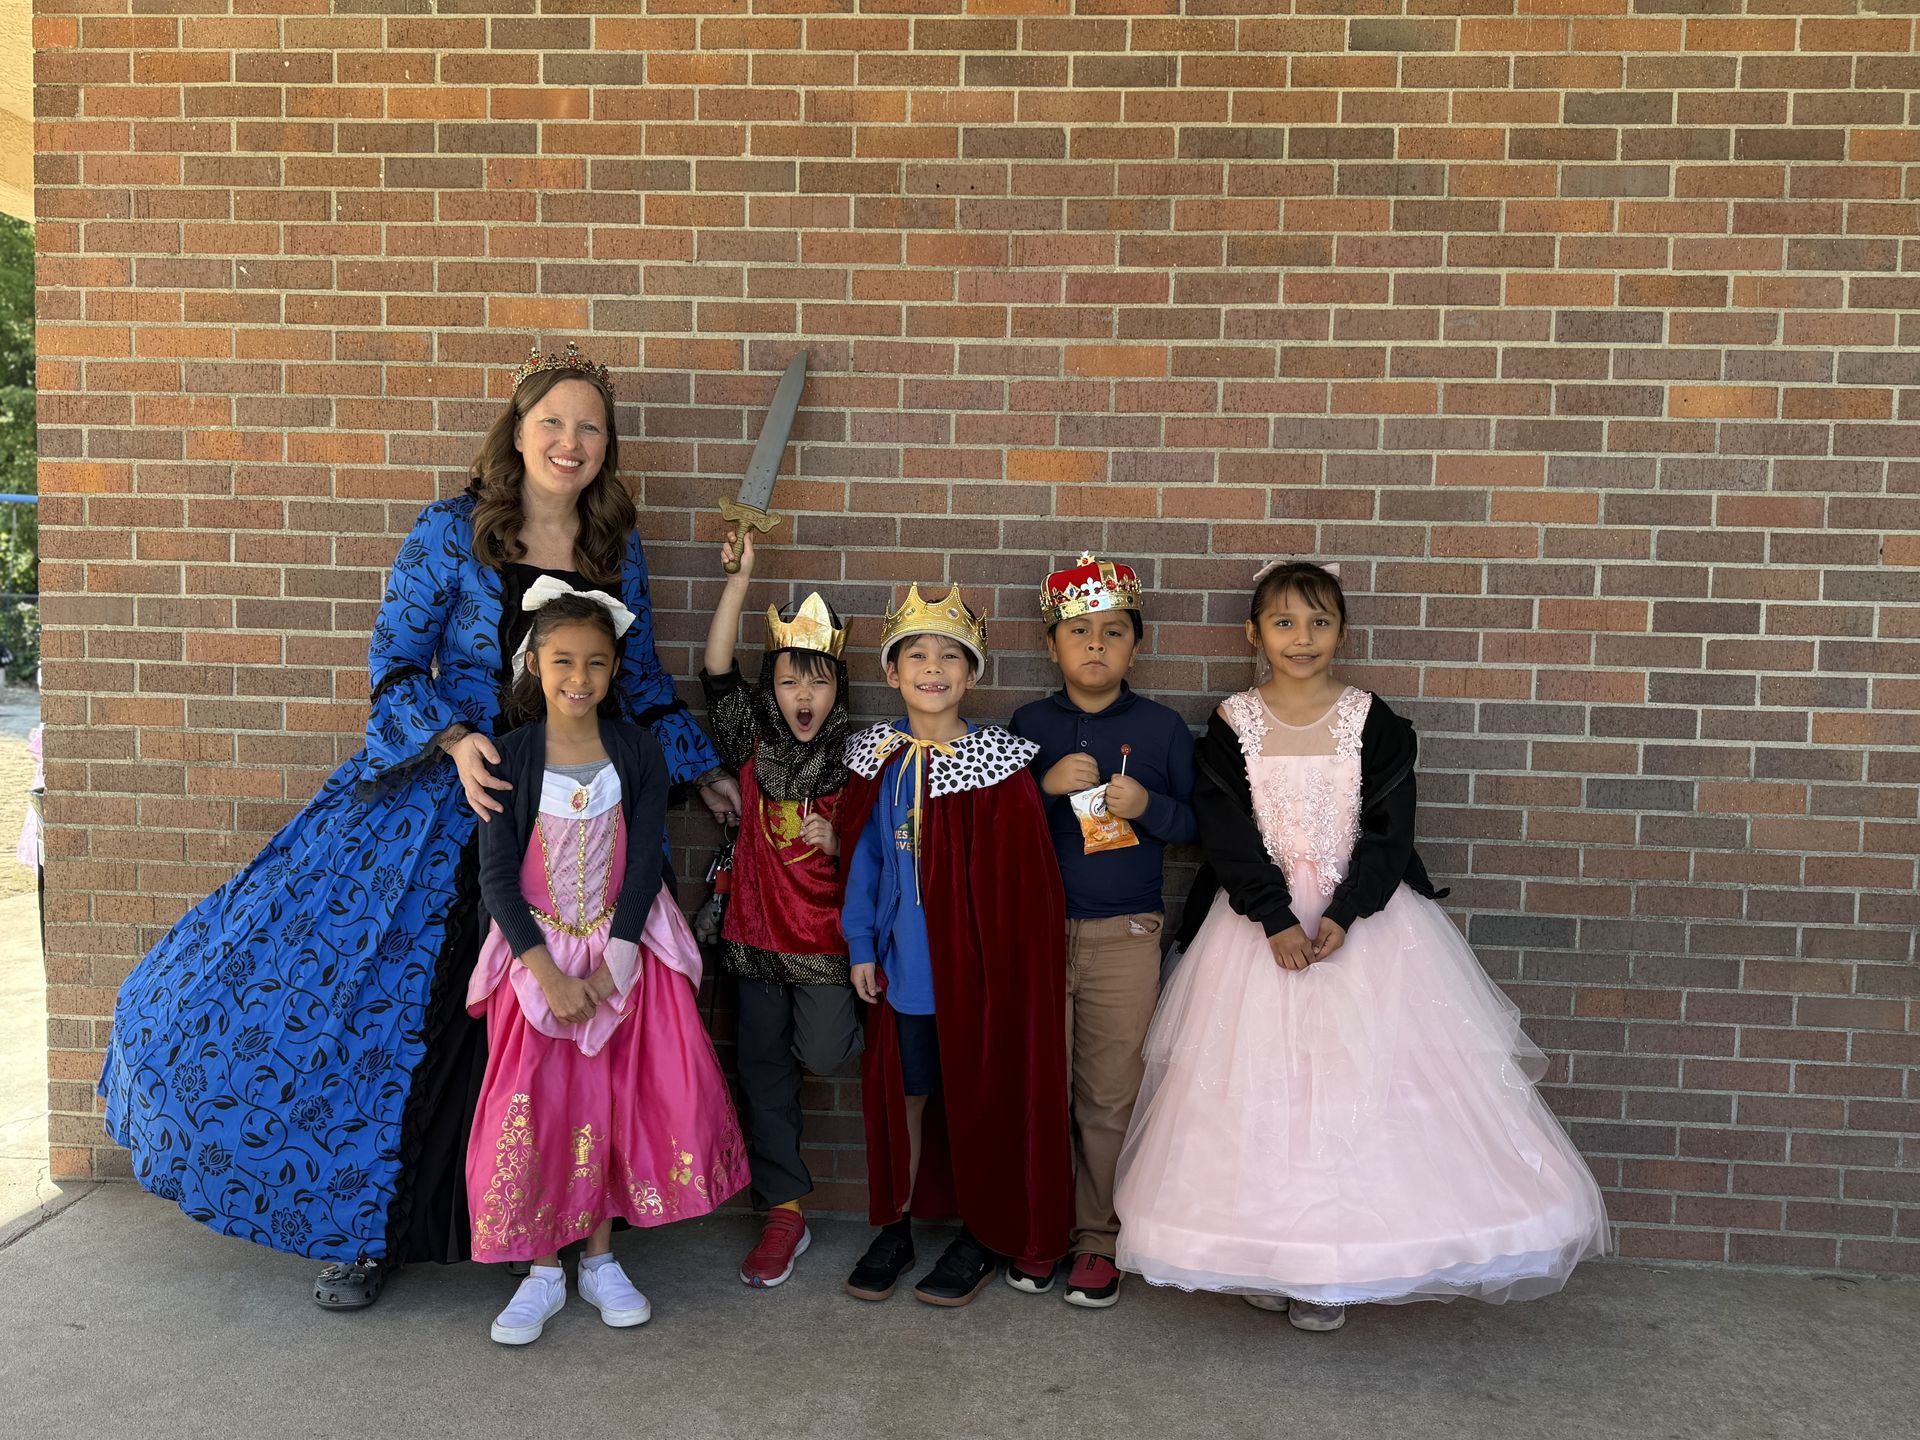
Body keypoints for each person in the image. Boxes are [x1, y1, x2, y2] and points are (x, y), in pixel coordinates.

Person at [98, 342, 741, 1309]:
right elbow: (395, 665)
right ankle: (363, 1231)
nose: (569, 442)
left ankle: (544, 1228)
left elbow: (638, 681)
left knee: (551, 1022)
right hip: (451, 800)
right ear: (517, 432)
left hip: (573, 816)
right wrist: (452, 738)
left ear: (608, 445)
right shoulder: (452, 530)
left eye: (589, 427)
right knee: (387, 1014)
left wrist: (705, 770)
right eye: (552, 422)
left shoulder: (616, 547)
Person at [1113, 560, 1609, 1333]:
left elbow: (1390, 831)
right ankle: (1267, 1256)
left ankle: (1334, 1271)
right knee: (1263, 1090)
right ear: (1253, 634)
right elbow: (1226, 832)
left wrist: (1346, 911)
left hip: (1366, 928)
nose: (1301, 637)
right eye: (1283, 622)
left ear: (1342, 632)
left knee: (1357, 1090)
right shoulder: (1232, 723)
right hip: (1258, 928)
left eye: (1319, 622)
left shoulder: (1374, 722)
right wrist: (1275, 916)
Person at [468, 589, 747, 1344]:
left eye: (596, 662)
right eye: (563, 660)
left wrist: (612, 967)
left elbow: (646, 863)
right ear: (534, 664)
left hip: (624, 953)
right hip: (537, 961)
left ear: (616, 667)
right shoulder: (508, 756)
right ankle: (542, 1269)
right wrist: (551, 976)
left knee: (612, 1101)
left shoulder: (637, 751)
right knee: (539, 1105)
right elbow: (497, 878)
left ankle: (599, 1260)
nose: (579, 677)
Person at [838, 584, 1071, 1308]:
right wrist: (860, 946)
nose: (932, 668)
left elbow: (1023, 889)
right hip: (904, 970)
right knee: (907, 1096)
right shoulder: (876, 760)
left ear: (972, 675)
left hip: (978, 976)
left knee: (979, 1095)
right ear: (892, 672)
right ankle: (898, 1226)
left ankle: (982, 1230)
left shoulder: (996, 766)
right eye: (916, 655)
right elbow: (863, 862)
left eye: (950, 657)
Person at [1009, 554, 1195, 1309]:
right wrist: (1040, 787)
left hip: (1126, 934)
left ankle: (1099, 1239)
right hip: (1037, 932)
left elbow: (1196, 825)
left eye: (1113, 632)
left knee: (1109, 1096)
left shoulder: (1161, 728)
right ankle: (1039, 1229)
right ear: (1051, 645)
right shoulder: (1029, 725)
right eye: (1078, 632)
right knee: (1038, 1088)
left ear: (1136, 646)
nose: (1095, 645)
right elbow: (991, 827)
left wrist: (1147, 805)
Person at [699, 529, 861, 1288]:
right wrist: (739, 582)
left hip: (826, 946)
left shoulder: (860, 755)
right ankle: (784, 1211)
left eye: (818, 683)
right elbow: (716, 671)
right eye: (791, 681)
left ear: (838, 690)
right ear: (774, 687)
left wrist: (844, 840)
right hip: (756, 940)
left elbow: (894, 848)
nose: (803, 697)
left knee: (822, 1053)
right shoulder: (752, 738)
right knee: (761, 1073)